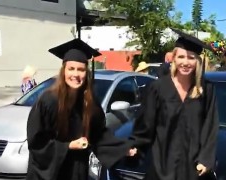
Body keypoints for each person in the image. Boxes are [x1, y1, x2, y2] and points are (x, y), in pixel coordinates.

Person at [26, 38, 136, 180]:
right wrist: (68, 146)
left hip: (77, 170)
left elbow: (99, 135)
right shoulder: (48, 101)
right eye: (71, 69)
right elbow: (36, 142)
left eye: (81, 69)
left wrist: (122, 148)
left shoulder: (89, 103)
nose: (76, 74)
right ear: (63, 71)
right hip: (50, 173)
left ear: (87, 72)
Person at [129, 28, 218, 180]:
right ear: (174, 58)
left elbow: (210, 126)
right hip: (162, 167)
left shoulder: (206, 90)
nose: (185, 62)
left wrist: (206, 158)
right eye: (181, 57)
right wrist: (134, 146)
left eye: (191, 58)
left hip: (193, 170)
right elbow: (146, 125)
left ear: (197, 61)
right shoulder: (158, 88)